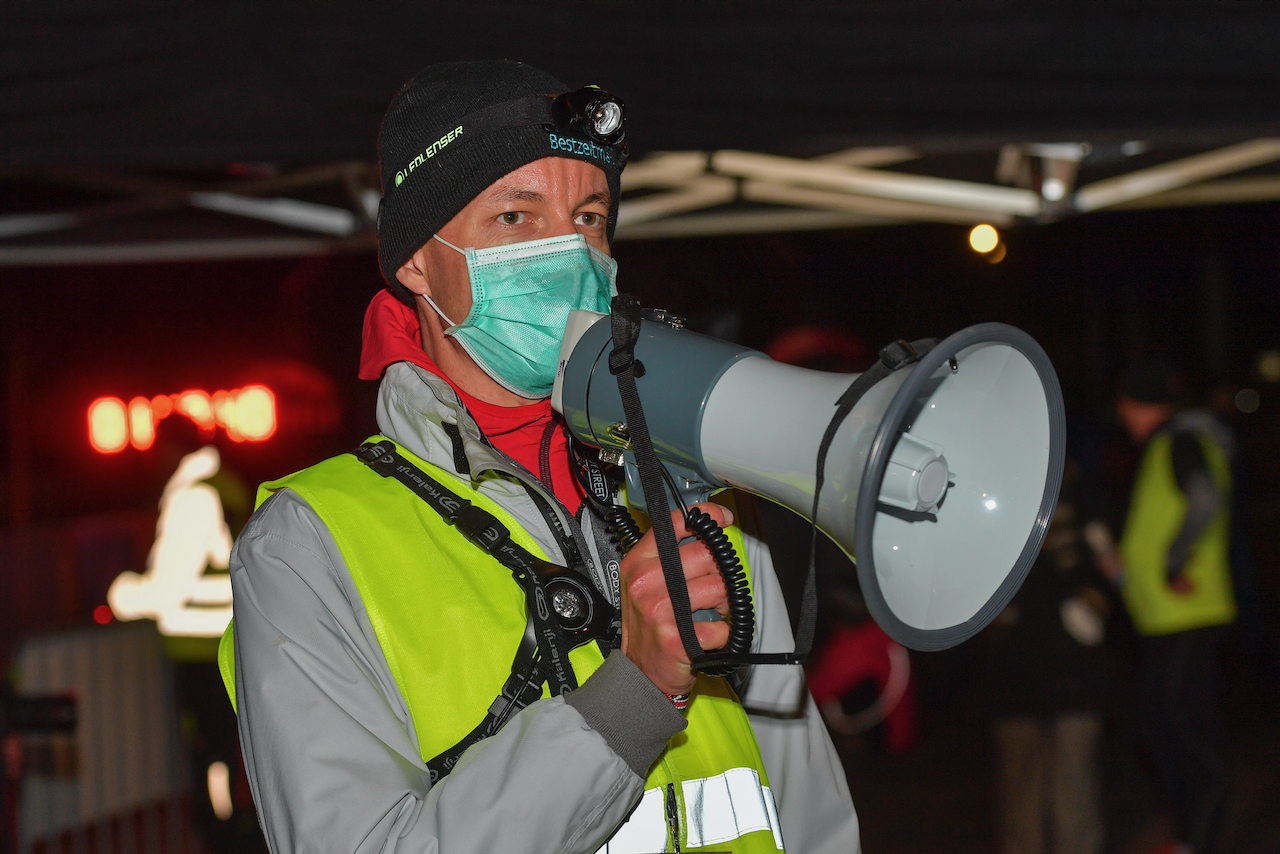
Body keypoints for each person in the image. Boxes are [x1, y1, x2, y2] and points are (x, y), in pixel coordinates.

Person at [218, 60, 859, 854]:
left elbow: (809, 809)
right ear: (417, 259)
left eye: (589, 217)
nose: (570, 250)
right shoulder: (307, 545)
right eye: (516, 219)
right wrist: (636, 696)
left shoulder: (692, 486)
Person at [1106, 361, 1235, 854]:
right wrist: (1124, 570)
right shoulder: (1164, 446)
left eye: (1125, 406)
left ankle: (1195, 841)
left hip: (1188, 616)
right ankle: (1186, 836)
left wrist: (1172, 561)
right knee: (1156, 729)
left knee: (1187, 734)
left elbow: (1205, 500)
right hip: (1162, 619)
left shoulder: (1180, 441)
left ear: (1136, 404)